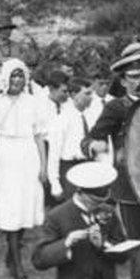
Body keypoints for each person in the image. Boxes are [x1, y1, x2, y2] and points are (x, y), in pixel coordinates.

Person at [80, 43, 140, 240]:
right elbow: (88, 139)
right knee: (137, 243)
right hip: (130, 186)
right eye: (134, 77)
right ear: (124, 82)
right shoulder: (116, 107)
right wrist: (93, 146)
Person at [32, 162, 128, 279]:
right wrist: (66, 243)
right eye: (93, 202)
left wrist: (103, 245)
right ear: (80, 193)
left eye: (100, 202)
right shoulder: (57, 216)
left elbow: (123, 254)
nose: (97, 206)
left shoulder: (107, 212)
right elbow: (39, 259)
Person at [0, 58, 48, 279]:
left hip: (28, 156)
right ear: (6, 77)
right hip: (5, 157)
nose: (17, 80)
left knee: (24, 209)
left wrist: (43, 166)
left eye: (21, 76)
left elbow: (40, 135)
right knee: (10, 210)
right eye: (13, 75)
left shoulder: (33, 102)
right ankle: (19, 269)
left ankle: (12, 255)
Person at [47, 75, 93, 203]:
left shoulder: (90, 115)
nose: (91, 97)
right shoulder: (62, 119)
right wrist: (55, 183)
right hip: (70, 168)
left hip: (88, 165)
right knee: (73, 208)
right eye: (87, 94)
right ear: (74, 95)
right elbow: (54, 153)